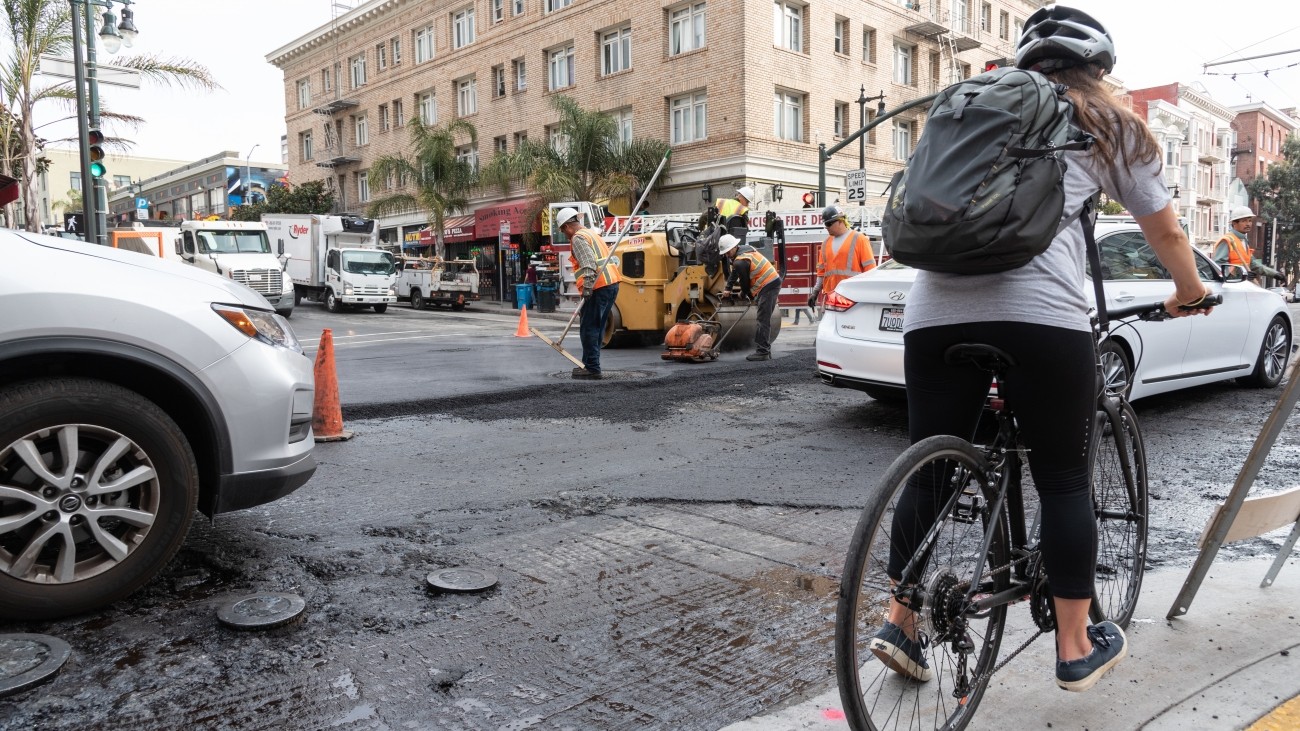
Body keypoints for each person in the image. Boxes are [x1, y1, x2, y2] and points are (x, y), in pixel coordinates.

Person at [876, 4, 1215, 695]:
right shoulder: (1112, 125)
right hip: (1041, 318)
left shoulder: (968, 110)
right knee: (1063, 477)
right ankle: (1073, 642)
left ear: (1028, 64)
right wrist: (1189, 291)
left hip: (933, 311)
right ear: (1099, 68)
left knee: (930, 471)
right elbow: (1171, 237)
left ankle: (898, 621)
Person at [556, 207, 621, 380]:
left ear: (568, 226)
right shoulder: (591, 234)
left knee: (589, 327)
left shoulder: (578, 238)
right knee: (598, 326)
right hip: (611, 284)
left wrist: (587, 287)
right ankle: (592, 364)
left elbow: (589, 263)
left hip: (598, 286)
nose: (564, 234)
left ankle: (592, 368)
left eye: (563, 230)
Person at [718, 234, 782, 361]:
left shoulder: (740, 261)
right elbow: (734, 272)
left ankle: (762, 351)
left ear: (734, 247)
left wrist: (745, 294)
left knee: (762, 320)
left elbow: (745, 284)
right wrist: (728, 288)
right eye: (724, 253)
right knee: (763, 319)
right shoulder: (746, 249)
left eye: (728, 251)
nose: (726, 255)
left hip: (768, 285)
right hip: (772, 282)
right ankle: (764, 350)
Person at [809, 204, 877, 307]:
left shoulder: (859, 239)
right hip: (831, 298)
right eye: (825, 224)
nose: (826, 227)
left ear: (841, 221)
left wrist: (869, 296)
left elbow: (870, 271)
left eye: (829, 224)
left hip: (853, 297)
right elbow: (821, 273)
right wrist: (815, 293)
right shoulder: (825, 244)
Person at [1214, 206, 1281, 280]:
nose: (1248, 224)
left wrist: (1274, 274)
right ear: (1234, 223)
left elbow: (1253, 264)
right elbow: (1219, 266)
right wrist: (1241, 275)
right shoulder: (1227, 240)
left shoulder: (1244, 240)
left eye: (1250, 221)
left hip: (1240, 285)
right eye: (1244, 221)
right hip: (1229, 286)